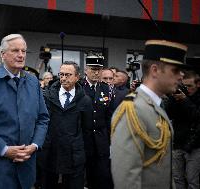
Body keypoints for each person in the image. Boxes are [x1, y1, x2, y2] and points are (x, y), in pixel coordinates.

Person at [0, 34, 49, 189]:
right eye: (15, 50)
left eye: (24, 51)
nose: (21, 55)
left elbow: (43, 119)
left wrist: (35, 145)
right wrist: (4, 150)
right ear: (2, 54)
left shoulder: (33, 82)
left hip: (27, 166)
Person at [111, 39, 188, 189]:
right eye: (175, 70)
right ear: (155, 70)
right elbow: (127, 178)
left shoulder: (154, 105)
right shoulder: (133, 109)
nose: (181, 76)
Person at [40, 61, 93, 189]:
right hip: (50, 151)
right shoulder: (47, 96)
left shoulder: (85, 101)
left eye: (68, 75)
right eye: (61, 74)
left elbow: (87, 130)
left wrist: (82, 151)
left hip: (74, 154)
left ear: (77, 77)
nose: (63, 78)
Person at [165, 67, 200, 189]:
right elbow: (168, 114)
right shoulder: (178, 96)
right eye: (184, 86)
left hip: (195, 145)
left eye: (190, 86)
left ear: (198, 84)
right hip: (178, 143)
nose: (187, 89)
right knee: (177, 178)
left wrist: (185, 100)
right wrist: (173, 98)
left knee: (192, 179)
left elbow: (196, 116)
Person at [81, 55, 113, 189]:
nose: (96, 72)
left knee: (101, 177)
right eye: (93, 69)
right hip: (83, 139)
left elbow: (108, 116)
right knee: (82, 177)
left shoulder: (106, 88)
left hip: (101, 141)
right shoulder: (79, 87)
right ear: (86, 70)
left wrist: (110, 138)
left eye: (99, 70)